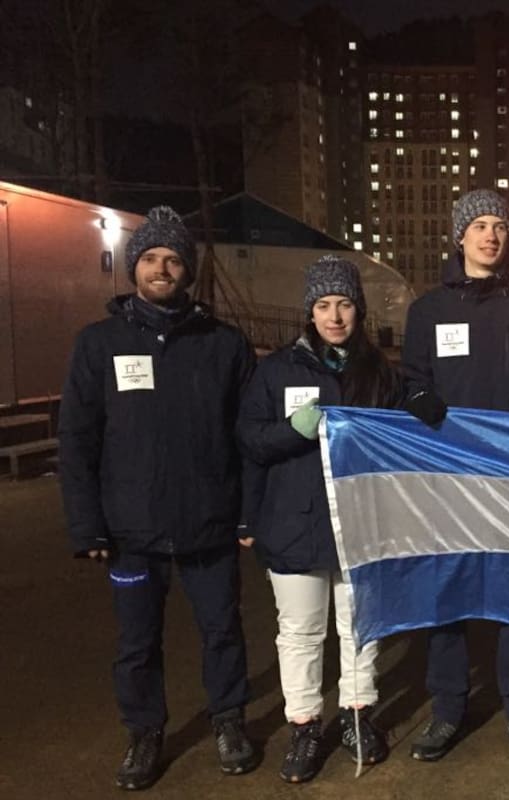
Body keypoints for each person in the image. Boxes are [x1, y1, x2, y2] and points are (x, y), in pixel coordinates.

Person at [58, 207, 259, 790]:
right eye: (150, 258)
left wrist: (246, 511)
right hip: (130, 530)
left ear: (188, 270)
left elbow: (247, 435)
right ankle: (145, 732)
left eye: (173, 259)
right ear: (133, 268)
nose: (162, 268)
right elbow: (77, 439)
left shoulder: (223, 344)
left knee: (223, 631)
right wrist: (87, 525)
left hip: (210, 524)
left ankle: (229, 721)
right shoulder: (98, 344)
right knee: (137, 642)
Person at [401, 189, 509, 761]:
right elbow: (411, 377)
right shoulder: (428, 311)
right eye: (479, 226)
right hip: (448, 479)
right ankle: (448, 708)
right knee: (449, 594)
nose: (490, 235)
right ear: (459, 237)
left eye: (499, 225)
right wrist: (419, 396)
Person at [237, 256, 399, 782]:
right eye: (324, 305)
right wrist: (294, 429)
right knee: (301, 633)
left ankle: (357, 713)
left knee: (359, 627)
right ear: (309, 311)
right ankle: (304, 725)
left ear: (359, 310)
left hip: (360, 523)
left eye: (345, 304)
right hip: (293, 521)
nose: (335, 316)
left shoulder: (378, 372)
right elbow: (251, 440)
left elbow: (400, 445)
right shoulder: (277, 370)